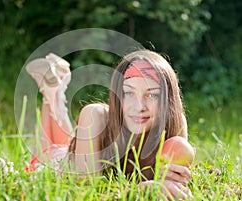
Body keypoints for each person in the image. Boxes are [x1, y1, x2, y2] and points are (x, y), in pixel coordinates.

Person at [25, 49, 193, 199]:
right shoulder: (95, 115)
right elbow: (85, 189)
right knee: (45, 152)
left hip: (80, 151)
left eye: (152, 95)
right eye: (129, 93)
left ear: (168, 100)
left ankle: (54, 88)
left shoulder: (175, 124)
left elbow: (173, 185)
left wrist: (177, 181)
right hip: (58, 163)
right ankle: (51, 92)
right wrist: (137, 191)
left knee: (69, 143)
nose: (139, 107)